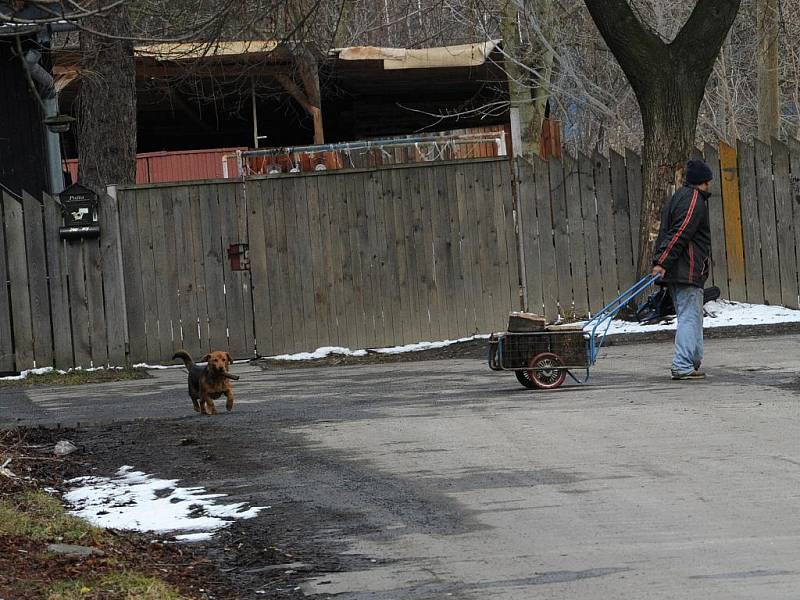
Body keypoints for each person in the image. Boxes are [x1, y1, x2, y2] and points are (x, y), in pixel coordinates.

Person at [651, 159, 712, 380]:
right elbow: (679, 234)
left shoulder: (679, 197)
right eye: (708, 182)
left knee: (691, 316)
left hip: (679, 270)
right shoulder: (694, 201)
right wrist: (661, 262)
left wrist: (662, 263)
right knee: (689, 317)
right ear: (703, 182)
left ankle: (692, 361)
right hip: (687, 269)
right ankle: (683, 364)